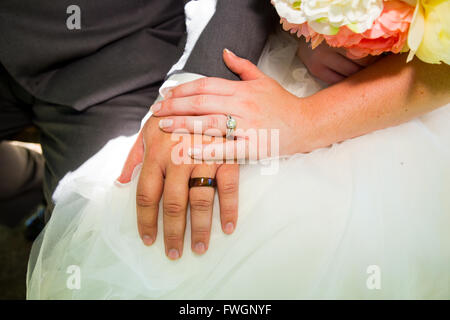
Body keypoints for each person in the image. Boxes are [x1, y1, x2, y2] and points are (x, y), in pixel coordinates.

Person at [27, 1, 450, 299]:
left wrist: (307, 121)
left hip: (410, 103)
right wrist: (310, 23)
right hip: (280, 52)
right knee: (158, 202)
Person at [0, 0, 274, 248]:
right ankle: (29, 183)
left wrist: (200, 94)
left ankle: (46, 192)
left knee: (94, 234)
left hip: (115, 60)